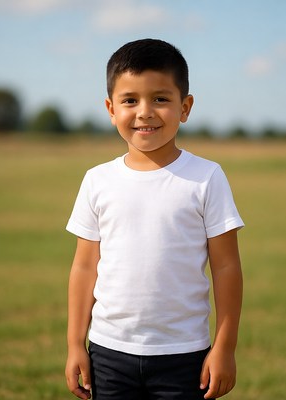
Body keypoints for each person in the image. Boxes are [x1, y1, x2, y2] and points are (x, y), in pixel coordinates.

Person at [65, 38, 244, 400]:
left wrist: (224, 348)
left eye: (160, 99)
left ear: (185, 106)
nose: (145, 111)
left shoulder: (206, 178)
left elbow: (226, 268)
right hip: (108, 350)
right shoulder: (97, 180)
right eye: (130, 100)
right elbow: (85, 267)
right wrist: (75, 344)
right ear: (111, 109)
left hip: (184, 353)